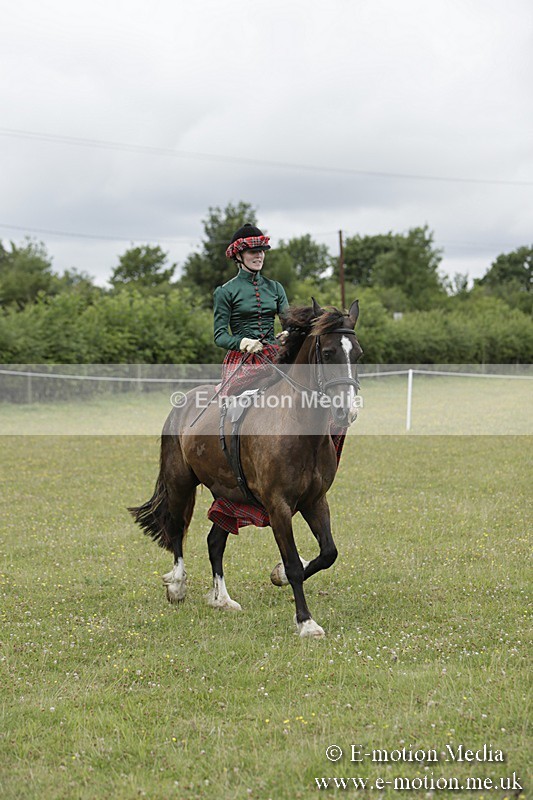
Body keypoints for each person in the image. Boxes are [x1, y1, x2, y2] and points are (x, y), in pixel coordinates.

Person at [213, 223, 289, 394]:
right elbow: (220, 336)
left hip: (274, 354)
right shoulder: (225, 291)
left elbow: (289, 322)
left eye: (261, 251)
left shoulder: (276, 288)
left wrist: (289, 332)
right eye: (253, 252)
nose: (259, 256)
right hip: (243, 359)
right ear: (238, 255)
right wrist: (243, 342)